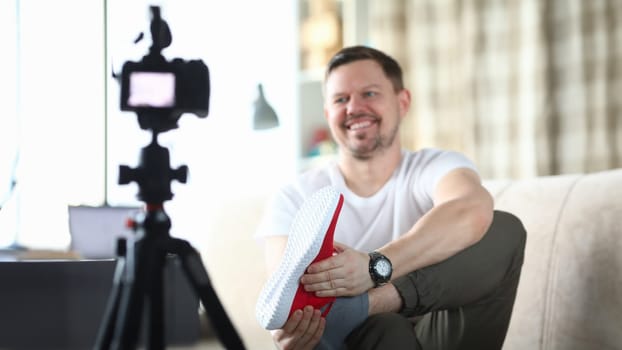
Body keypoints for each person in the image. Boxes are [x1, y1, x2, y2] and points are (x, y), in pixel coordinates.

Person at [254, 45, 526, 350]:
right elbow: (284, 302)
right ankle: (359, 313)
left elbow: (471, 210)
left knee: (505, 229)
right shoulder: (295, 196)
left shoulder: (434, 167)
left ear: (403, 102)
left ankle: (363, 306)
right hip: (359, 343)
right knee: (386, 327)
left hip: (440, 336)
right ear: (329, 113)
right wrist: (291, 333)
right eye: (341, 99)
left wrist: (373, 268)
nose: (354, 107)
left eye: (369, 94)